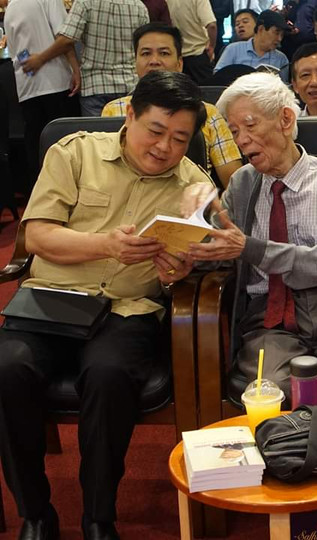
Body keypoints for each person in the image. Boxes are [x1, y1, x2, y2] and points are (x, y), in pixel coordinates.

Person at [0, 70, 211, 540]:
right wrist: (106, 245)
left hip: (127, 309)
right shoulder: (73, 153)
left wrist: (177, 271)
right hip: (52, 300)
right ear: (129, 114)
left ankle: (99, 516)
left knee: (109, 374)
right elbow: (37, 235)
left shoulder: (193, 185)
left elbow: (188, 260)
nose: (164, 148)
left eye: (180, 139)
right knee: (6, 368)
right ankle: (35, 513)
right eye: (156, 130)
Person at [181, 71, 317, 433]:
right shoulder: (243, 183)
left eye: (250, 125)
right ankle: (285, 466)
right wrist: (195, 220)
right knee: (270, 395)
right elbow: (223, 251)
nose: (242, 140)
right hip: (269, 317)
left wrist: (250, 247)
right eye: (234, 132)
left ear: (285, 119)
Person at [101, 23, 242, 188]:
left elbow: (234, 184)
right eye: (146, 53)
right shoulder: (114, 110)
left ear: (179, 63)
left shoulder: (208, 113)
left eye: (164, 53)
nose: (154, 61)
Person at [1, 0, 80, 190]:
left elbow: (17, 53)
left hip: (28, 87)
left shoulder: (11, 8)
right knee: (67, 149)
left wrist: (32, 68)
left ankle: (37, 197)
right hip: (57, 83)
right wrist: (75, 68)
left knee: (36, 152)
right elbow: (65, 38)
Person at [19, 0, 149, 116]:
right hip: (129, 86)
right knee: (125, 133)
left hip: (94, 87)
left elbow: (67, 40)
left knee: (94, 135)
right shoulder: (139, 6)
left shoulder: (85, 2)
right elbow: (145, 48)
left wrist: (40, 59)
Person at [215, 10, 289, 80]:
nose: (279, 39)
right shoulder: (233, 50)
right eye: (276, 33)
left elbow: (283, 86)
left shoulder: (281, 59)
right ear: (261, 29)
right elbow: (217, 77)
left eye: (282, 35)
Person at [165, 0, 217, 84]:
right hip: (198, 55)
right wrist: (212, 46)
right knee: (206, 90)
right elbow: (212, 25)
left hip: (176, 59)